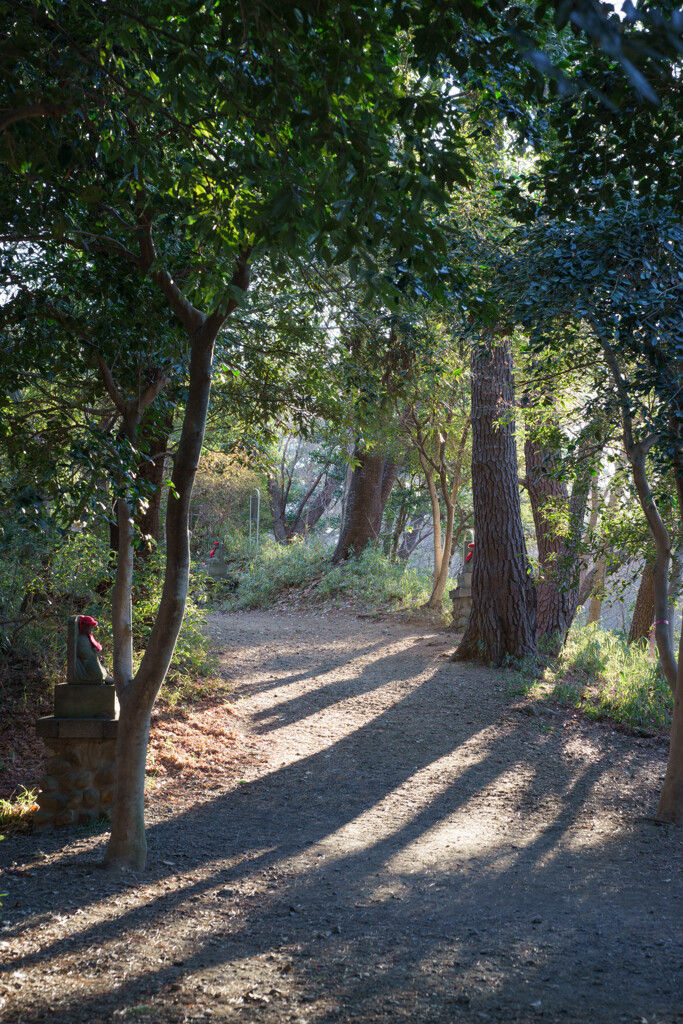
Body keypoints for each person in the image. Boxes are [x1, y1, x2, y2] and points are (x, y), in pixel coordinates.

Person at [75, 615, 114, 684]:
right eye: (90, 627)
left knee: (103, 665)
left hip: (92, 659)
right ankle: (103, 677)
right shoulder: (82, 639)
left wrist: (95, 649)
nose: (92, 629)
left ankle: (105, 677)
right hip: (86, 661)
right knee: (98, 671)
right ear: (84, 627)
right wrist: (92, 653)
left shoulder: (88, 637)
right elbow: (83, 653)